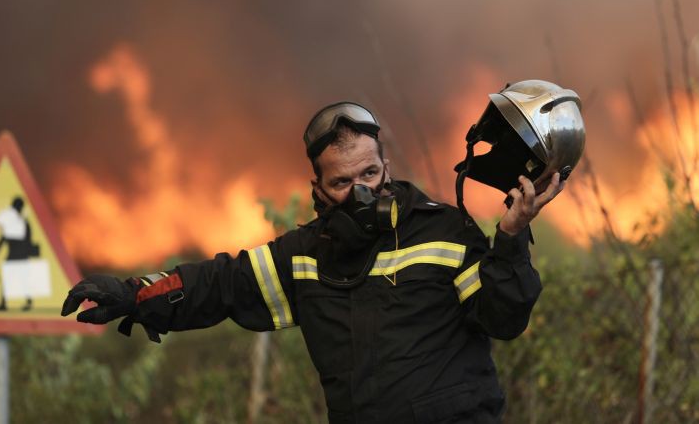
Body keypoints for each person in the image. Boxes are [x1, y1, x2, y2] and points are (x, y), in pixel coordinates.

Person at [63, 84, 585, 423]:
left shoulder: (446, 233)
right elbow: (219, 286)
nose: (360, 191)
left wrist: (511, 237)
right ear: (317, 187)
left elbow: (503, 316)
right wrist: (134, 296)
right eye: (342, 182)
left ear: (386, 165)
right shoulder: (305, 258)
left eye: (369, 174)